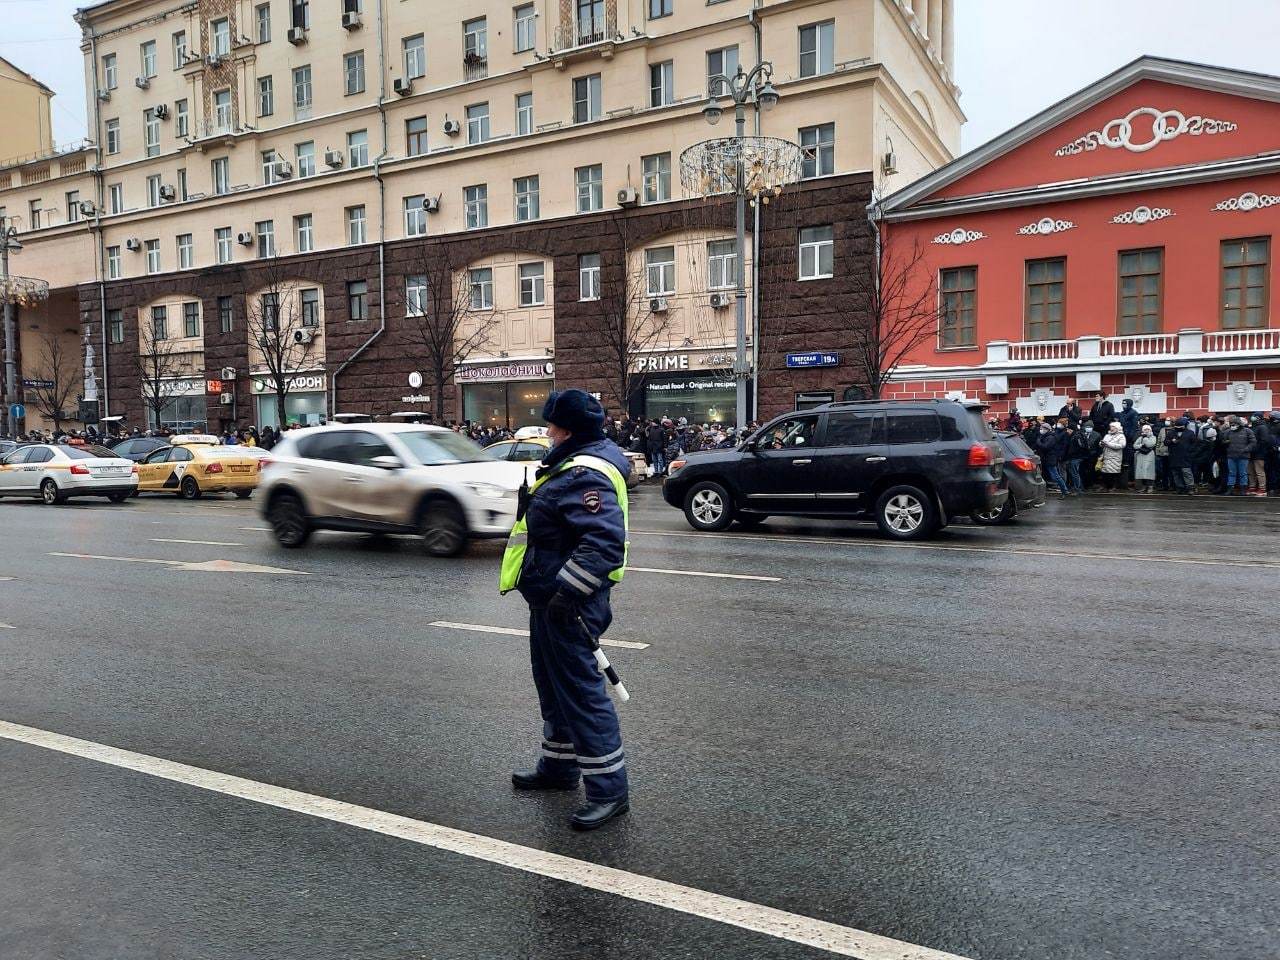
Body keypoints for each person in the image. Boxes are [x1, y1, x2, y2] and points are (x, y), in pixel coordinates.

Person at [500, 389, 631, 831]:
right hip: (550, 601)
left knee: (581, 694)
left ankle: (609, 791)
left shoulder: (584, 475)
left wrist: (566, 594)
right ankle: (559, 767)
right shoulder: (570, 466)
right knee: (554, 689)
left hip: (569, 605)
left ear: (568, 429)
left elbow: (604, 544)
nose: (547, 432)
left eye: (552, 425)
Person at [1222, 415, 1256, 495]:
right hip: (1231, 455)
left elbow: (1253, 442)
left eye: (1234, 424)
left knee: (1243, 473)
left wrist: (1245, 449)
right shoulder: (1228, 431)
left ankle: (1243, 490)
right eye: (1231, 424)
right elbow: (1223, 441)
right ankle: (1230, 489)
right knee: (1231, 473)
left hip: (1243, 456)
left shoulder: (1247, 431)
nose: (1232, 426)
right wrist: (1225, 443)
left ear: (1239, 424)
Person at [1035, 420, 1069, 497]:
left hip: (1050, 459)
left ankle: (1064, 490)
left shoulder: (1050, 437)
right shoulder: (1044, 437)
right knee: (1051, 475)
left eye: (1042, 429)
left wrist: (1038, 442)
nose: (1041, 430)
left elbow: (1045, 447)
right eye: (1040, 428)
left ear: (1047, 429)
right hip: (1046, 459)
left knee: (1055, 476)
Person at [1099, 421, 1126, 490]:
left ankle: (1114, 486)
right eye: (1111, 426)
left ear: (1117, 428)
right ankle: (1105, 486)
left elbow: (1122, 445)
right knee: (1105, 472)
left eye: (1113, 427)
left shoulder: (1121, 436)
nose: (1112, 428)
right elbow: (1102, 443)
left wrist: (1108, 444)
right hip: (1106, 456)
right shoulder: (1107, 435)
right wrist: (1101, 443)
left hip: (1115, 457)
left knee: (1113, 472)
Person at [1248, 414, 1270, 497]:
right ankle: (1252, 487)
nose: (1252, 417)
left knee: (1259, 471)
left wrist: (1255, 448)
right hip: (1251, 453)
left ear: (1259, 418)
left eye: (1255, 416)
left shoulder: (1262, 427)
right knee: (1250, 471)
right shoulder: (1252, 426)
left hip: (1259, 453)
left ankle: (1262, 489)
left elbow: (1264, 441)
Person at [1132, 424, 1157, 494]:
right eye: (1145, 429)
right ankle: (1144, 487)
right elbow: (1134, 446)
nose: (1146, 431)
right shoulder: (1140, 438)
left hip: (1149, 456)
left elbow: (1150, 444)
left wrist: (1145, 439)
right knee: (1142, 472)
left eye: (1148, 429)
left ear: (1150, 430)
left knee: (1149, 472)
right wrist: (1141, 445)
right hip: (1140, 456)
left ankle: (1150, 487)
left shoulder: (1153, 437)